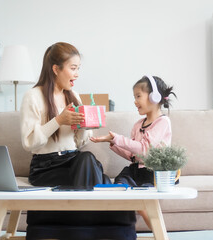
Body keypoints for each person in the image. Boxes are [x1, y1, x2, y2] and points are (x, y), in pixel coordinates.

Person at [20, 42, 136, 240]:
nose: (77, 74)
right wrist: (58, 121)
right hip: (46, 167)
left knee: (87, 159)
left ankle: (80, 232)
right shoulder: (33, 96)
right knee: (97, 174)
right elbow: (29, 143)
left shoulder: (72, 96)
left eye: (78, 69)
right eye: (73, 68)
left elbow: (79, 143)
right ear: (56, 69)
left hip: (73, 161)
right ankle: (112, 231)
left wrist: (84, 127)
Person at [90, 75, 178, 229]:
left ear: (154, 97)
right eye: (134, 97)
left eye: (138, 96)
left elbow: (144, 149)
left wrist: (118, 138)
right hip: (135, 170)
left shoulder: (163, 122)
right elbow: (133, 155)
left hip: (154, 173)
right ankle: (119, 229)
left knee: (142, 197)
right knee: (120, 185)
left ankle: (158, 232)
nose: (135, 101)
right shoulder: (138, 124)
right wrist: (111, 142)